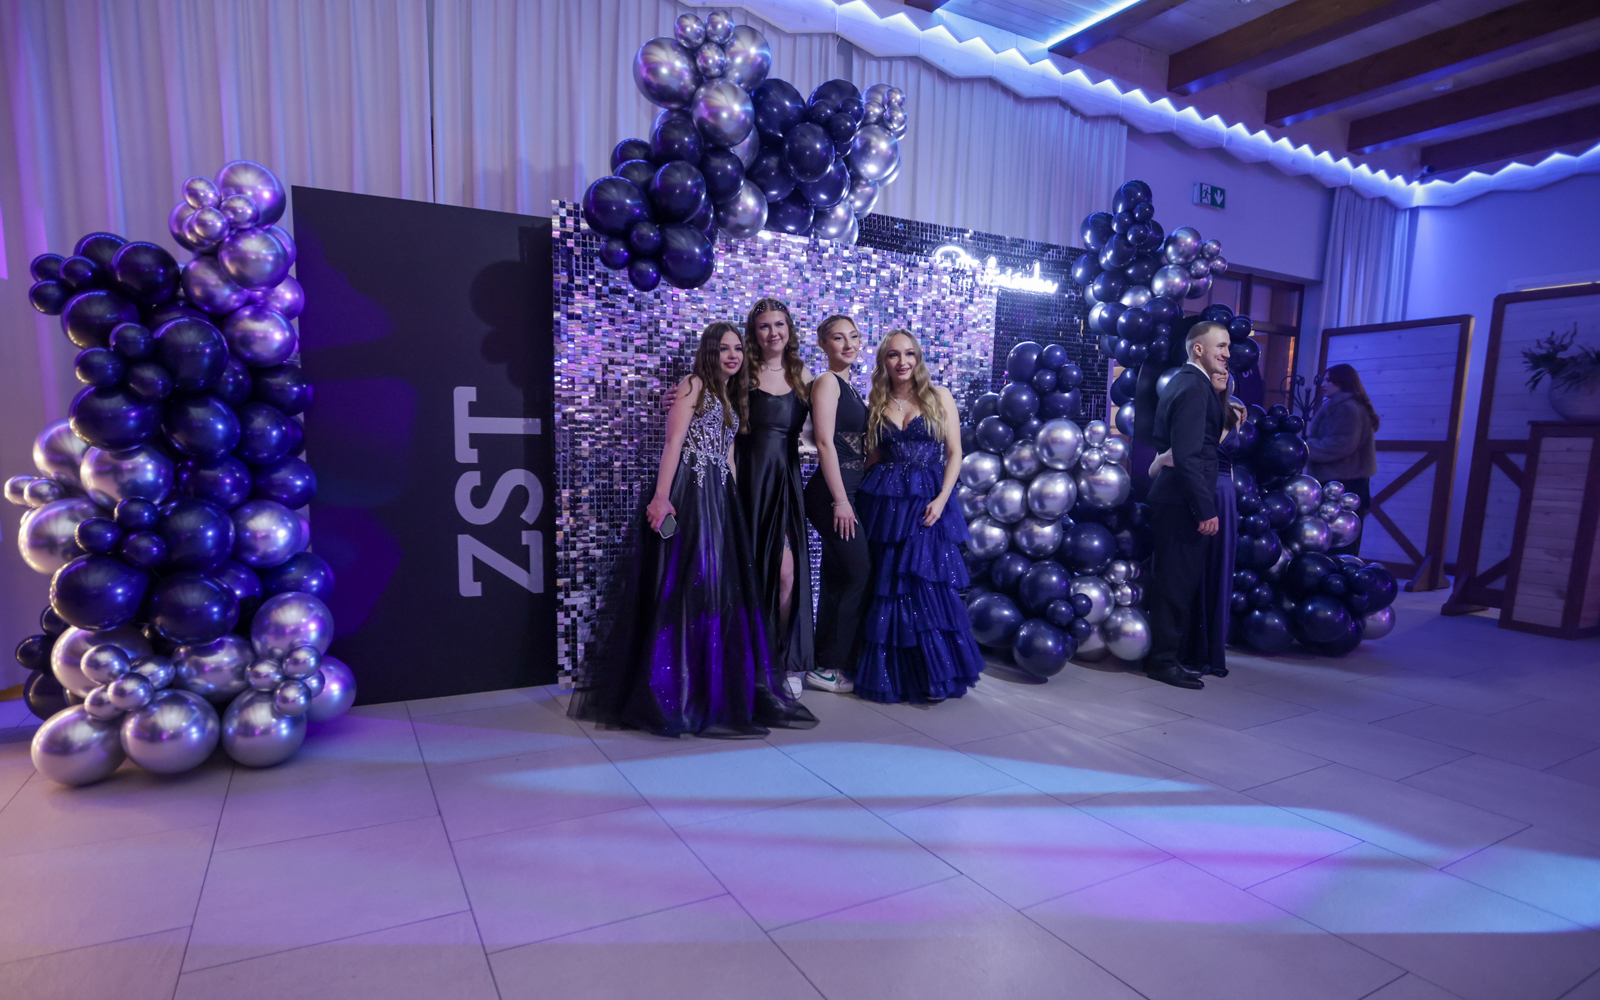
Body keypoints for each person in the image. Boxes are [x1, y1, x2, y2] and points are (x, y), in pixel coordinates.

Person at [569, 322, 816, 738]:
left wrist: (735, 504)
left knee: (716, 590)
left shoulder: (730, 394)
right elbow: (673, 444)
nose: (732, 355)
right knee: (686, 587)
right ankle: (674, 692)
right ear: (709, 352)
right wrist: (661, 498)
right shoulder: (693, 385)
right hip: (690, 493)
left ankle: (709, 686)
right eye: (724, 349)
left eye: (737, 349)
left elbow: (729, 457)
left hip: (720, 498)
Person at [854, 329, 984, 704]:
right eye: (894, 355)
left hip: (927, 498)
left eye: (909, 354)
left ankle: (934, 674)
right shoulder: (876, 400)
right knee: (889, 584)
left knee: (925, 583)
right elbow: (872, 458)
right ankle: (895, 676)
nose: (903, 362)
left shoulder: (939, 396)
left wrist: (942, 499)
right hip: (885, 503)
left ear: (919, 358)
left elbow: (955, 453)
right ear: (884, 361)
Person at [1144, 321, 1229, 690]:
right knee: (1174, 585)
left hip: (1175, 498)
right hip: (1181, 502)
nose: (1226, 354)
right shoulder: (1194, 387)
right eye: (1220, 346)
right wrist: (1205, 509)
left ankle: (1169, 656)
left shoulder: (1187, 382)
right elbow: (1189, 457)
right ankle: (1163, 662)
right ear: (1198, 349)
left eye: (1227, 347)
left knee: (1175, 582)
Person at [738, 298, 815, 699]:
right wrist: (679, 395)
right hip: (747, 481)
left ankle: (783, 661)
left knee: (787, 575)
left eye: (780, 324)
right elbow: (710, 407)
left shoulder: (803, 375)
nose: (773, 333)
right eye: (765, 326)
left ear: (790, 329)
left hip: (785, 483)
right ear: (754, 333)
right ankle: (748, 661)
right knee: (748, 573)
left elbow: (824, 429)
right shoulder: (742, 372)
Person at [1151, 370, 1246, 678]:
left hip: (1222, 498)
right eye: (1216, 371)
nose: (1222, 373)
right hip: (1197, 496)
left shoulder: (1233, 413)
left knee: (1213, 573)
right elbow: (1169, 462)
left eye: (1226, 373)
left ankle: (1204, 652)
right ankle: (1177, 654)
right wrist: (1164, 460)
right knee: (1181, 578)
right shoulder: (1192, 402)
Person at [803, 314, 868, 695]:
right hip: (832, 494)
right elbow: (825, 443)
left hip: (847, 491)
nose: (848, 344)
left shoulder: (850, 387)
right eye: (838, 338)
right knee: (859, 573)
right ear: (824, 344)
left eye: (854, 337)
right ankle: (830, 667)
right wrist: (841, 500)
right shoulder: (827, 382)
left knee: (839, 575)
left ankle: (824, 662)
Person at [1307, 363, 1379, 557]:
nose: (1323, 384)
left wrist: (1307, 447)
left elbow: (1341, 444)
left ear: (1343, 383)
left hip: (1343, 485)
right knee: (1338, 541)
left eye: (1329, 380)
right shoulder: (1341, 406)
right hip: (1343, 483)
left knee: (1340, 542)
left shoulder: (1347, 408)